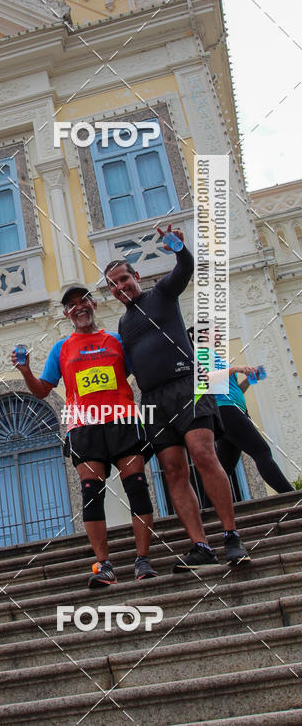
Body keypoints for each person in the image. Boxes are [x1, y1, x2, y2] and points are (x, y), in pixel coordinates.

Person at [104, 224, 250, 570]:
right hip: (153, 400)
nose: (121, 287)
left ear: (135, 276)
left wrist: (178, 249)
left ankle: (231, 537)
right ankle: (200, 544)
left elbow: (185, 269)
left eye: (124, 279)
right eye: (113, 285)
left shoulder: (162, 293)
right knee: (172, 470)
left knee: (202, 454)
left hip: (188, 386)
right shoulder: (123, 325)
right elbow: (125, 367)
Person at [12, 286, 157, 588]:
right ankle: (104, 566)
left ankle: (142, 559)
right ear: (66, 314)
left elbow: (140, 371)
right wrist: (26, 371)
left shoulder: (116, 341)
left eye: (83, 301)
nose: (79, 308)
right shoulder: (62, 348)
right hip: (83, 426)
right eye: (71, 305)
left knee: (138, 488)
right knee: (91, 493)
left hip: (123, 421)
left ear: (93, 304)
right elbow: (42, 390)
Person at [202, 339, 294, 496]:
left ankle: (206, 509)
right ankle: (292, 497)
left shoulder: (217, 357)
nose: (219, 333)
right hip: (225, 410)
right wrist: (237, 368)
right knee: (262, 451)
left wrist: (251, 379)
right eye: (214, 330)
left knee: (223, 469)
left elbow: (234, 390)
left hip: (232, 409)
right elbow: (206, 378)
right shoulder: (201, 353)